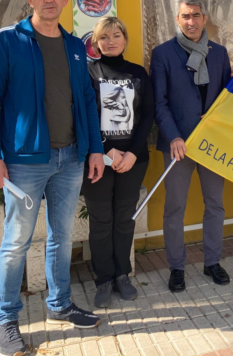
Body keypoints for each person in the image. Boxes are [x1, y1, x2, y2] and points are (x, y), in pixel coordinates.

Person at [0, 0, 105, 356]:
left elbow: (85, 99)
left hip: (70, 158)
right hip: (23, 162)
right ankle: (6, 320)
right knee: (16, 242)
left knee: (61, 237)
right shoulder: (8, 39)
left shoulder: (74, 46)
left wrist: (94, 148)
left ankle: (60, 305)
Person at [150, 0, 232, 293]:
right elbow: (159, 102)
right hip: (178, 145)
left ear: (204, 18)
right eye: (185, 16)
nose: (191, 21)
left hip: (212, 145)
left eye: (196, 15)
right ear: (177, 19)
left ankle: (212, 262)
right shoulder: (163, 54)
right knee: (175, 208)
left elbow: (227, 99)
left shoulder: (220, 53)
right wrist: (173, 136)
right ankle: (176, 267)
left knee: (215, 205)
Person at [82, 17, 154, 308]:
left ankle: (123, 274)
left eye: (116, 35)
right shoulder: (88, 72)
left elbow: (148, 114)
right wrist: (106, 150)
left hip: (134, 159)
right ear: (96, 42)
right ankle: (103, 279)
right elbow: (83, 116)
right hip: (99, 160)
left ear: (125, 39)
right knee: (101, 221)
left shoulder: (138, 73)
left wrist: (133, 152)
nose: (110, 41)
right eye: (104, 37)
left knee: (124, 219)